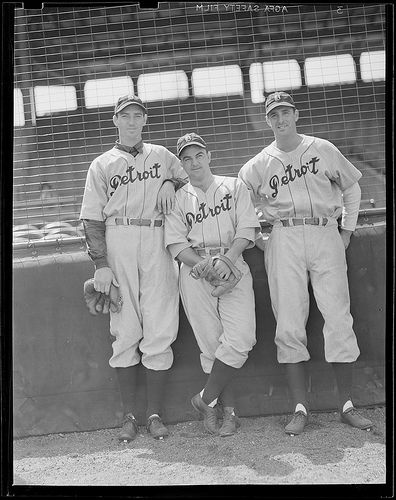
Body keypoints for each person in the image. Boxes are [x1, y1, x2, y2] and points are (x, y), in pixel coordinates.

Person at [238, 91, 373, 436]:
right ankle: (300, 408)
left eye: (285, 112)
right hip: (282, 236)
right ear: (267, 121)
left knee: (338, 316)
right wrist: (259, 239)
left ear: (296, 115)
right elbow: (239, 204)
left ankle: (346, 405)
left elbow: (353, 188)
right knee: (288, 322)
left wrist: (347, 231)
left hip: (325, 231)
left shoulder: (322, 148)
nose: (280, 119)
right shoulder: (257, 165)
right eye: (273, 115)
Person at [80, 94, 188, 442]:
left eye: (137, 116)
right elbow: (92, 219)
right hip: (119, 237)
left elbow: (190, 181)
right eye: (124, 116)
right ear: (115, 120)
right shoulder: (101, 163)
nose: (131, 121)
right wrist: (101, 264)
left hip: (157, 238)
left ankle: (154, 414)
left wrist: (171, 181)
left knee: (160, 325)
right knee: (125, 328)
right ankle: (129, 416)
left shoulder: (162, 155)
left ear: (144, 121)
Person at [165, 133, 260, 437]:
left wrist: (228, 259)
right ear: (182, 163)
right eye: (187, 158)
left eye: (198, 155)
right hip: (196, 270)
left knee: (242, 338)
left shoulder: (234, 186)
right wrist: (203, 266)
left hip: (232, 264)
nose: (194, 162)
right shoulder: (179, 199)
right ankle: (227, 413)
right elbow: (176, 245)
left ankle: (205, 399)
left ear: (209, 155)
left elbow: (247, 229)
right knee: (211, 343)